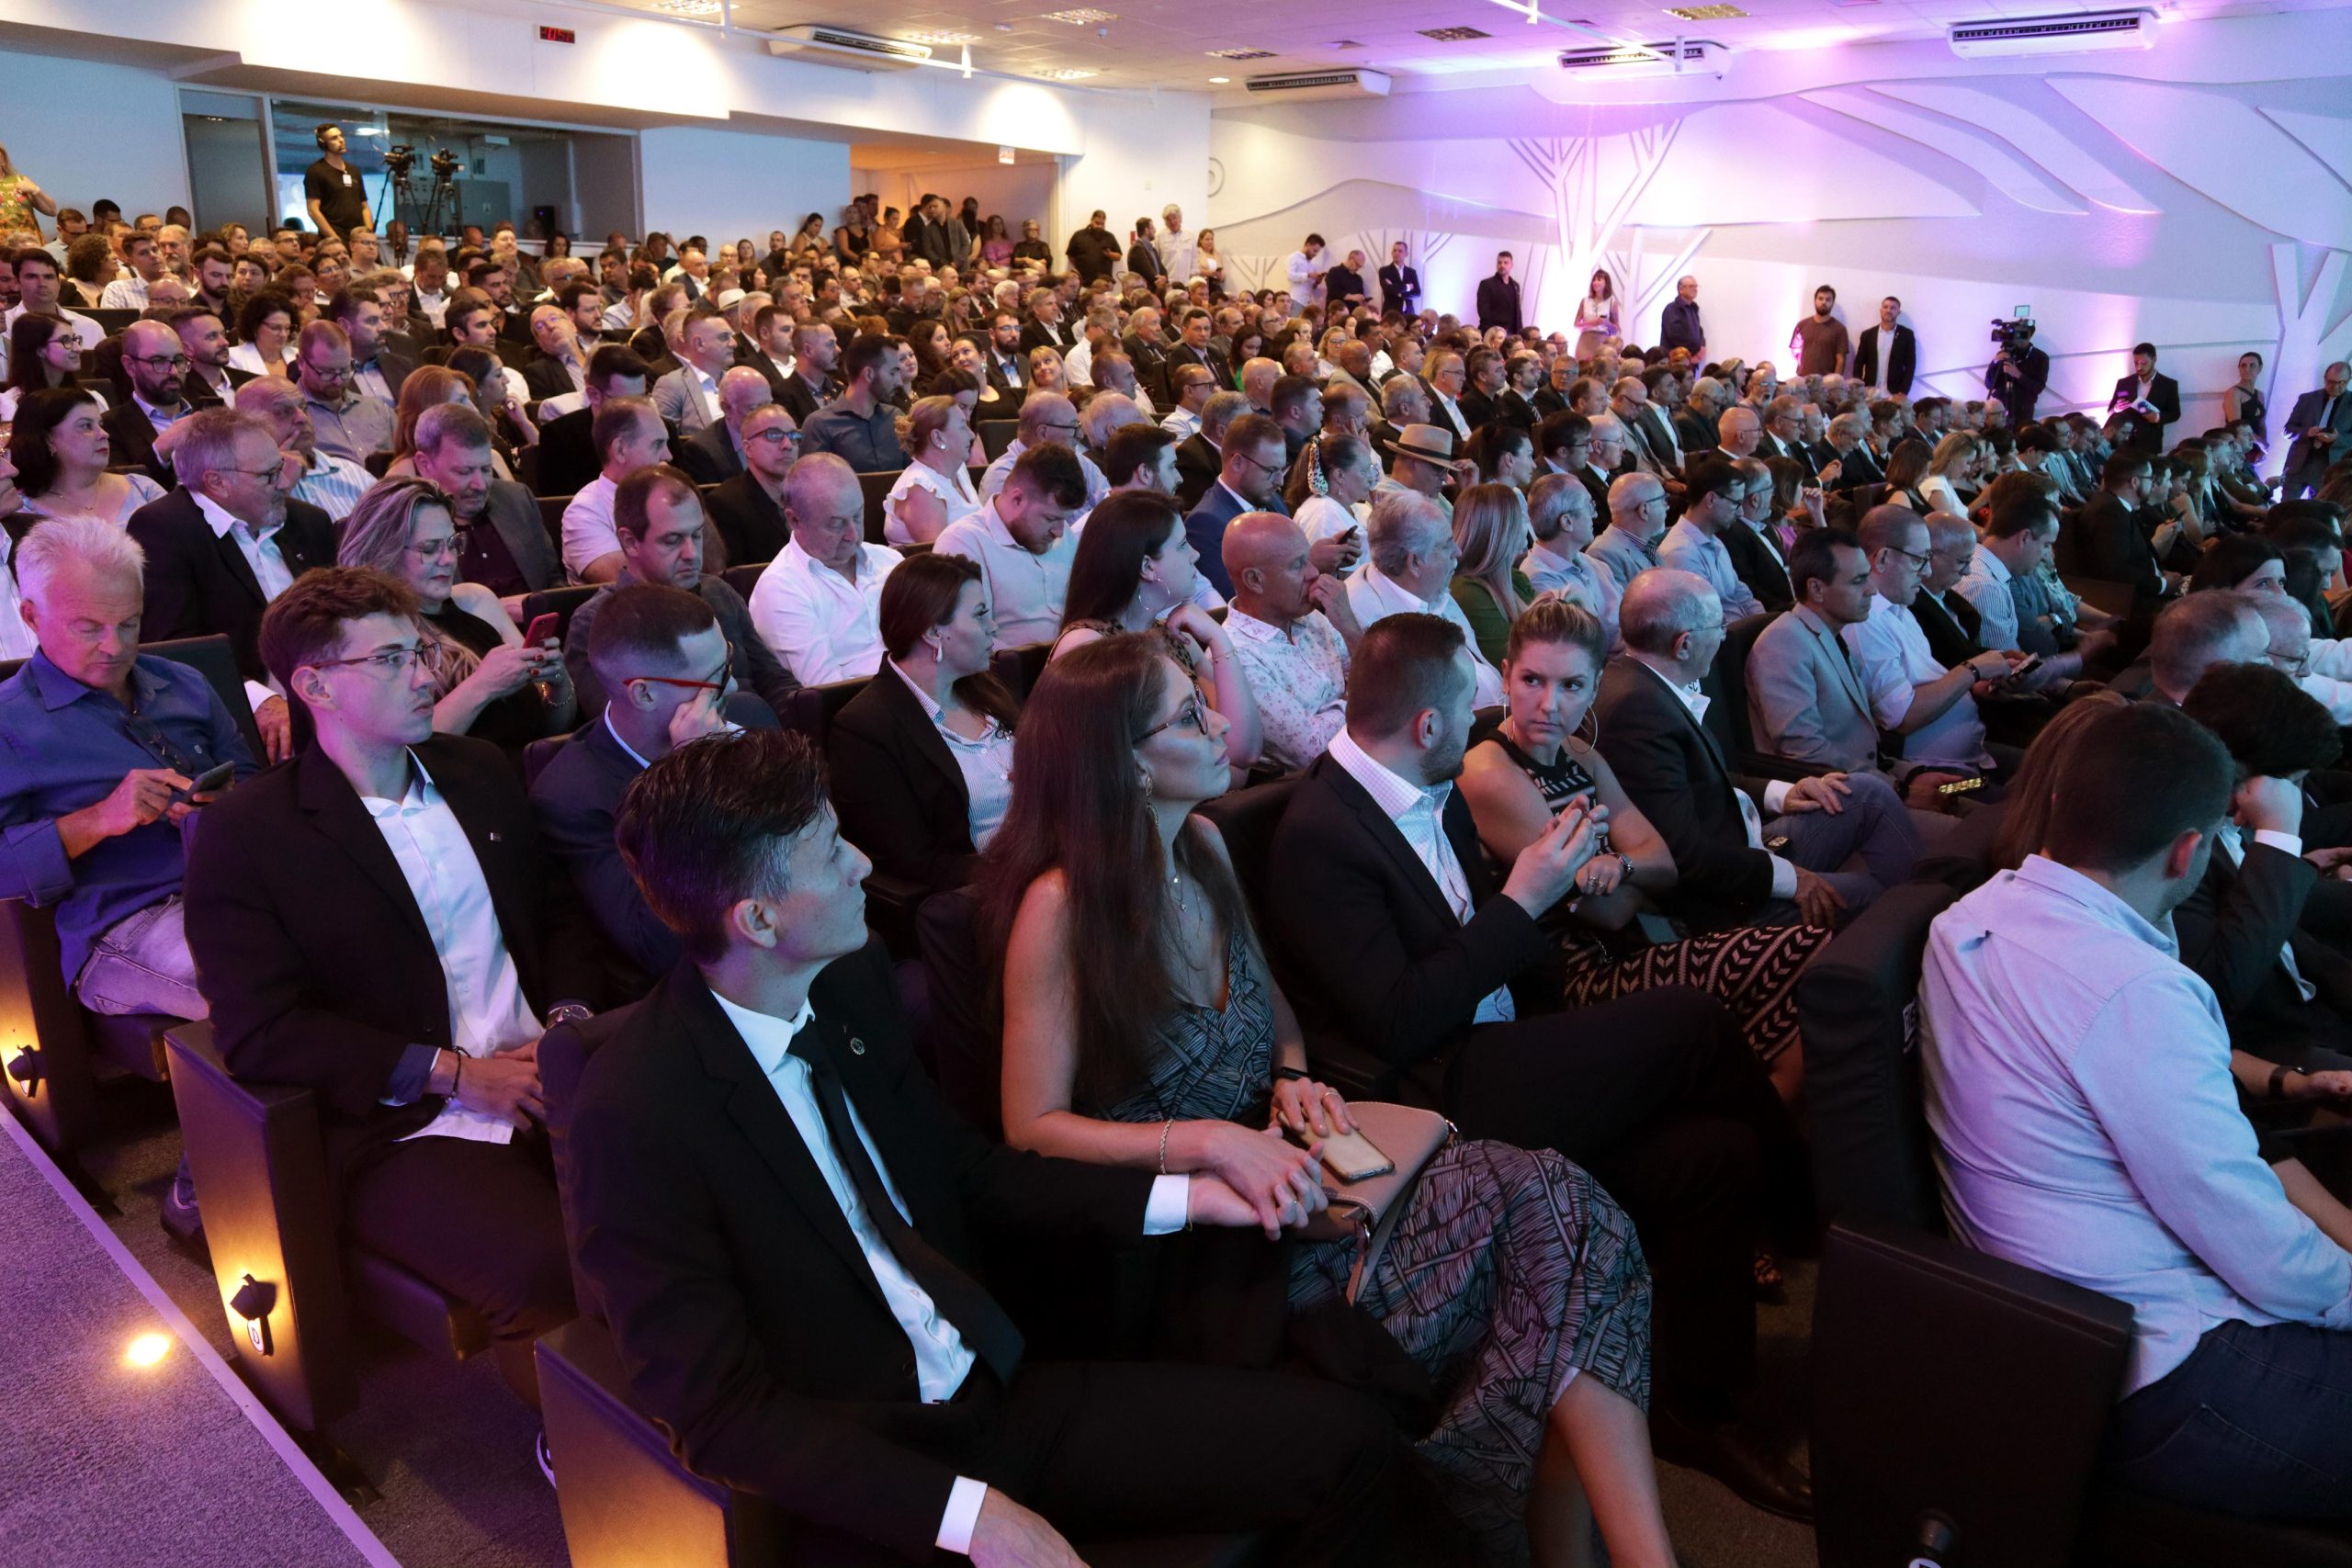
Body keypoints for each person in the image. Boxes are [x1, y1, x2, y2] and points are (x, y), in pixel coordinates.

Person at [985, 632, 1677, 1566]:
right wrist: (1209, 1143)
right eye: (1189, 714)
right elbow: (1030, 1129)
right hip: (1204, 1240)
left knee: (1569, 1207)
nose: (1223, 723)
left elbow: (1276, 1017)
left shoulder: (1202, 844)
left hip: (1299, 1168)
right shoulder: (1061, 907)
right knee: (1562, 1228)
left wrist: (1293, 1079)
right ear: (1128, 762)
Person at [1266, 611, 1811, 1519]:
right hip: (1440, 1086)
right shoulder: (1321, 830)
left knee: (1714, 1153)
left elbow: (1517, 953)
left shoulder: (1428, 785)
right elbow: (1397, 1022)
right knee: (1690, 1021)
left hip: (1507, 1042)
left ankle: (1696, 1407)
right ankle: (1815, 1222)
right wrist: (1524, 901)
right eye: (1470, 708)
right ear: (1428, 725)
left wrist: (1570, 997)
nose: (1486, 723)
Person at [1917, 700, 2352, 1520]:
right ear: (2189, 850)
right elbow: (2260, 1250)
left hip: (2063, 1336)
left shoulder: (1970, 917)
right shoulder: (2135, 989)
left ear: (2060, 803)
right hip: (2169, 1371)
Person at [183, 565, 589, 1422]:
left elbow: (558, 914)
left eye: (421, 652)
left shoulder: (477, 769)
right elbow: (263, 1030)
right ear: (315, 686)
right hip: (404, 1121)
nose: (425, 675)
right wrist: (455, 1072)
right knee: (550, 1264)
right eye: (393, 659)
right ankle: (594, 1454)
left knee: (694, 1193)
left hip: (547, 1067)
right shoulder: (249, 833)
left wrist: (566, 1028)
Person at [1461, 595, 1835, 1092]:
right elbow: (1610, 911)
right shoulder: (1490, 771)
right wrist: (1630, 866)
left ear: (1595, 687)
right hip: (1577, 978)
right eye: (1533, 680)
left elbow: (1664, 863)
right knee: (1806, 951)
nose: (1549, 705)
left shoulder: (1580, 754)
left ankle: (1755, 1120)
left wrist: (1618, 867)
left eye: (1571, 685)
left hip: (1638, 946)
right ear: (1506, 676)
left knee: (1809, 966)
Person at [0, 516, 256, 1026]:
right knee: (257, 988)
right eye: (88, 628)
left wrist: (229, 802)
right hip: (126, 922)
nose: (115, 647)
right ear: (31, 615)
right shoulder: (9, 721)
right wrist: (99, 819)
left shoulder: (184, 683)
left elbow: (256, 783)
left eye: (130, 623)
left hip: (243, 888)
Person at [1598, 567, 1923, 932]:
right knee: (1888, 895)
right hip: (1728, 899)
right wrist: (1794, 879)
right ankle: (1931, 924)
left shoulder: (1641, 682)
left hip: (1742, 843)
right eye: (1718, 626)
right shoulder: (1638, 711)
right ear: (1683, 645)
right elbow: (1684, 856)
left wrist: (1783, 793)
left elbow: (1702, 781)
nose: (1724, 636)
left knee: (1866, 792)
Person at [530, 585, 737, 987]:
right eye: (715, 679)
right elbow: (657, 947)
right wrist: (695, 776)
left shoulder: (749, 716)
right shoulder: (572, 798)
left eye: (726, 662)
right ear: (644, 693)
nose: (731, 688)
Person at [824, 551, 1021, 897]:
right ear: (932, 631)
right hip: (982, 892)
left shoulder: (988, 691)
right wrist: (1024, 868)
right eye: (980, 614)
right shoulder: (864, 729)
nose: (993, 626)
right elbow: (912, 861)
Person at [336, 478, 575, 746]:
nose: (448, 559)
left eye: (452, 543)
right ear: (383, 553)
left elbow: (551, 727)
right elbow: (404, 751)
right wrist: (484, 685)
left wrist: (558, 683)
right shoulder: (374, 638)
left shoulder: (478, 601)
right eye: (429, 549)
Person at [1053, 491, 1263, 781]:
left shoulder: (1169, 635)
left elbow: (1244, 750)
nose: (1196, 554)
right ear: (1147, 567)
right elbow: (1097, 772)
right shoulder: (1086, 645)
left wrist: (1219, 639)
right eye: (1182, 545)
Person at [567, 464, 795, 721]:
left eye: (696, 535)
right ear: (630, 542)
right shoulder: (594, 623)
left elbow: (773, 679)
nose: (692, 554)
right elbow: (624, 726)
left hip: (756, 735)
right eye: (672, 540)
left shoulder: (719, 592)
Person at [1841, 505, 2025, 778]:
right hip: (1937, 778)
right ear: (1882, 559)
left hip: (1972, 757)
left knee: (2051, 766)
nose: (1927, 571)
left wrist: (1976, 686)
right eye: (1919, 559)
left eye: (1928, 558)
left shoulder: (1899, 607)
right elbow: (1903, 718)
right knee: (2031, 793)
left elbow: (1925, 681)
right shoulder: (1867, 623)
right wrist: (1973, 670)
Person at [1220, 511, 1361, 775]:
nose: (1314, 572)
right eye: (1298, 565)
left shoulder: (1311, 617)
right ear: (1255, 580)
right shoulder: (1235, 657)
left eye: (1309, 559)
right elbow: (1314, 751)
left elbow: (1386, 683)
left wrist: (1350, 628)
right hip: (1320, 784)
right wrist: (1362, 696)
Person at [1346, 490, 1507, 709]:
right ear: (1415, 563)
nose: (1458, 551)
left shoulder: (1428, 587)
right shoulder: (1369, 621)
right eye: (1446, 544)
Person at [10, 388, 165, 526]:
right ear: (48, 440)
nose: (104, 434)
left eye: (100, 425)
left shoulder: (142, 488)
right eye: (86, 426)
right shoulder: (22, 510)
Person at [561, 395, 670, 583]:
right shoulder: (585, 511)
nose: (668, 456)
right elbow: (629, 585)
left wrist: (686, 494)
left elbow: (714, 567)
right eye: (657, 444)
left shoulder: (670, 495)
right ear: (620, 450)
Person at [1182, 412, 1289, 597]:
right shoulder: (1206, 523)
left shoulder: (1271, 499)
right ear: (1237, 462)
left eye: (1282, 470)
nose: (1280, 481)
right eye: (1271, 471)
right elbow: (1241, 599)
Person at [1657, 456, 1766, 622]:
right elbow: (1709, 620)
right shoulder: (1680, 553)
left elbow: (1742, 595)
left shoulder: (1715, 541)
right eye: (1736, 504)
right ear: (1711, 499)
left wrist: (1765, 625)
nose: (1741, 513)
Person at [1448, 482, 1533, 669]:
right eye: (1521, 517)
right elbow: (1511, 663)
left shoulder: (1517, 579)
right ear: (1503, 529)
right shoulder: (1468, 592)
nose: (1528, 522)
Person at [799, 332, 908, 470]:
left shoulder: (895, 417)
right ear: (868, 374)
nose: (899, 382)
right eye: (892, 372)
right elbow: (813, 479)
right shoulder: (820, 425)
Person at [2280, 360, 2351, 501]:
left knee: (2318, 511)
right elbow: (2287, 430)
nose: (2336, 386)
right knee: (2284, 508)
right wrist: (2306, 432)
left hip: (2330, 469)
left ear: (2348, 381)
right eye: (2331, 382)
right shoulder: (2307, 399)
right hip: (2298, 464)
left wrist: (2336, 439)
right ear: (2324, 379)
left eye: (2341, 383)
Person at [2109, 342, 2181, 454]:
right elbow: (2110, 410)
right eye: (2136, 363)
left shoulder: (2168, 385)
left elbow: (2175, 414)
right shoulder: (2124, 383)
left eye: (2143, 363)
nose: (2139, 367)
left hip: (2150, 442)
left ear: (2154, 359)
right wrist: (2117, 408)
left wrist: (2157, 418)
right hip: (2123, 443)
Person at [1984, 322, 2049, 425]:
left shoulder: (2040, 357)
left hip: (2023, 409)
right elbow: (1989, 384)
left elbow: (2038, 388)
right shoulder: (2003, 354)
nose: (2020, 339)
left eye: (2023, 334)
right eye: (2017, 334)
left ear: (2030, 335)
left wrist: (2018, 375)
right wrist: (1995, 362)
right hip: (1999, 408)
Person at [1852, 298, 1914, 397]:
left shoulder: (1906, 335)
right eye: (1885, 307)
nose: (1888, 310)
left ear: (1898, 312)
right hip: (1870, 392)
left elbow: (1910, 366)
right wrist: (1859, 387)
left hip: (1894, 394)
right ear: (1881, 310)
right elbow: (1858, 363)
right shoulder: (1868, 335)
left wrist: (1903, 392)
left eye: (1893, 308)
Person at [1789, 286, 1848, 378]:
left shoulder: (1840, 329)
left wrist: (1835, 382)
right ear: (1815, 301)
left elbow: (1841, 360)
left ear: (1832, 303)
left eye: (1828, 300)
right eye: (1820, 298)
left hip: (1826, 383)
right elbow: (1795, 351)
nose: (1824, 302)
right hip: (1803, 379)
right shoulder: (1802, 325)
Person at [2222, 349, 2270, 456]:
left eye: (2252, 365)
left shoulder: (2260, 395)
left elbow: (2262, 424)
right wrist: (2261, 442)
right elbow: (2236, 427)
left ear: (2260, 368)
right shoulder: (2234, 393)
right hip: (2238, 447)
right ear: (2239, 369)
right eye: (2243, 365)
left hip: (2256, 447)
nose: (2247, 369)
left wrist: (2262, 448)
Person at [1475, 252, 1523, 335]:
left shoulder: (1515, 285)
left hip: (1512, 332)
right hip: (1493, 332)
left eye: (1506, 263)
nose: (1502, 265)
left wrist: (1520, 331)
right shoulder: (1487, 284)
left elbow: (1517, 311)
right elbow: (1483, 311)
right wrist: (1493, 331)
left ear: (1512, 265)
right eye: (1499, 262)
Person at [1658, 276, 1704, 362]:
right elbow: (1675, 334)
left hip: (1689, 360)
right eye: (1691, 286)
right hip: (1675, 360)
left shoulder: (1693, 309)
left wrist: (1702, 346)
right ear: (1681, 289)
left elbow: (1699, 331)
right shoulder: (1672, 309)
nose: (1695, 289)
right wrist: (1696, 349)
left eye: (1696, 286)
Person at [1379, 241, 1421, 319]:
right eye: (1394, 251)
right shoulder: (1384, 271)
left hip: (1409, 314)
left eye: (1400, 251)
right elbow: (1388, 289)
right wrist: (1408, 287)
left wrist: (1398, 292)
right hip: (1390, 313)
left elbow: (1417, 293)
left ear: (1406, 254)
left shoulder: (1411, 272)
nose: (1397, 253)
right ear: (1392, 253)